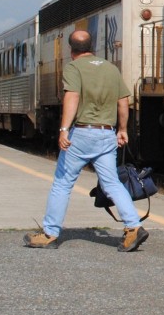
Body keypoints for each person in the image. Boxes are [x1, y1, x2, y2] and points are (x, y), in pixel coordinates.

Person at [25, 30, 148, 252]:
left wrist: (63, 129)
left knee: (62, 183)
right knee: (111, 183)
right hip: (106, 134)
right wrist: (122, 129)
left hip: (82, 134)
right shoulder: (111, 68)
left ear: (70, 50)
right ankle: (134, 226)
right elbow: (123, 101)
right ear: (93, 47)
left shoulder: (74, 68)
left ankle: (50, 233)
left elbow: (72, 96)